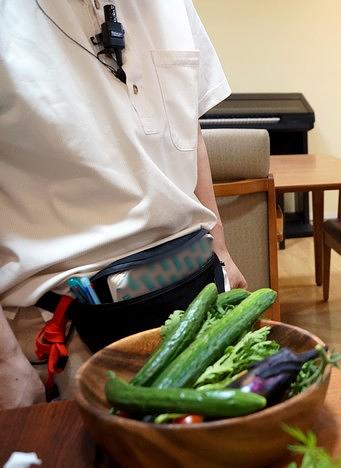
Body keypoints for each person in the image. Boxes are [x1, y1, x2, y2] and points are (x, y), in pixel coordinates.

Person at [0, 1, 245, 408]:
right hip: (67, 333)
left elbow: (189, 130)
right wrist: (6, 363)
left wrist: (221, 250)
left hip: (197, 297)